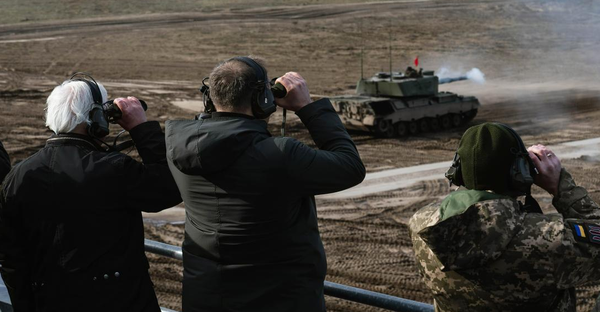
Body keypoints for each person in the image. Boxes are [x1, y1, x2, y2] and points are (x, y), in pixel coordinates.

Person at [165, 56, 366, 312]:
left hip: (205, 297)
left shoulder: (177, 147)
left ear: (208, 97)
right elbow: (351, 167)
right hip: (280, 300)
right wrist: (307, 107)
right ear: (264, 100)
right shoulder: (281, 154)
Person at [0, 75, 181, 312]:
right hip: (122, 303)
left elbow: (12, 260)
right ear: (97, 119)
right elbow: (169, 189)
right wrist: (141, 128)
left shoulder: (17, 176)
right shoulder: (115, 169)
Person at [409, 122, 600, 312]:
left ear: (457, 170)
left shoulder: (421, 223)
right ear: (520, 173)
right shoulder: (549, 238)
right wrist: (561, 186)